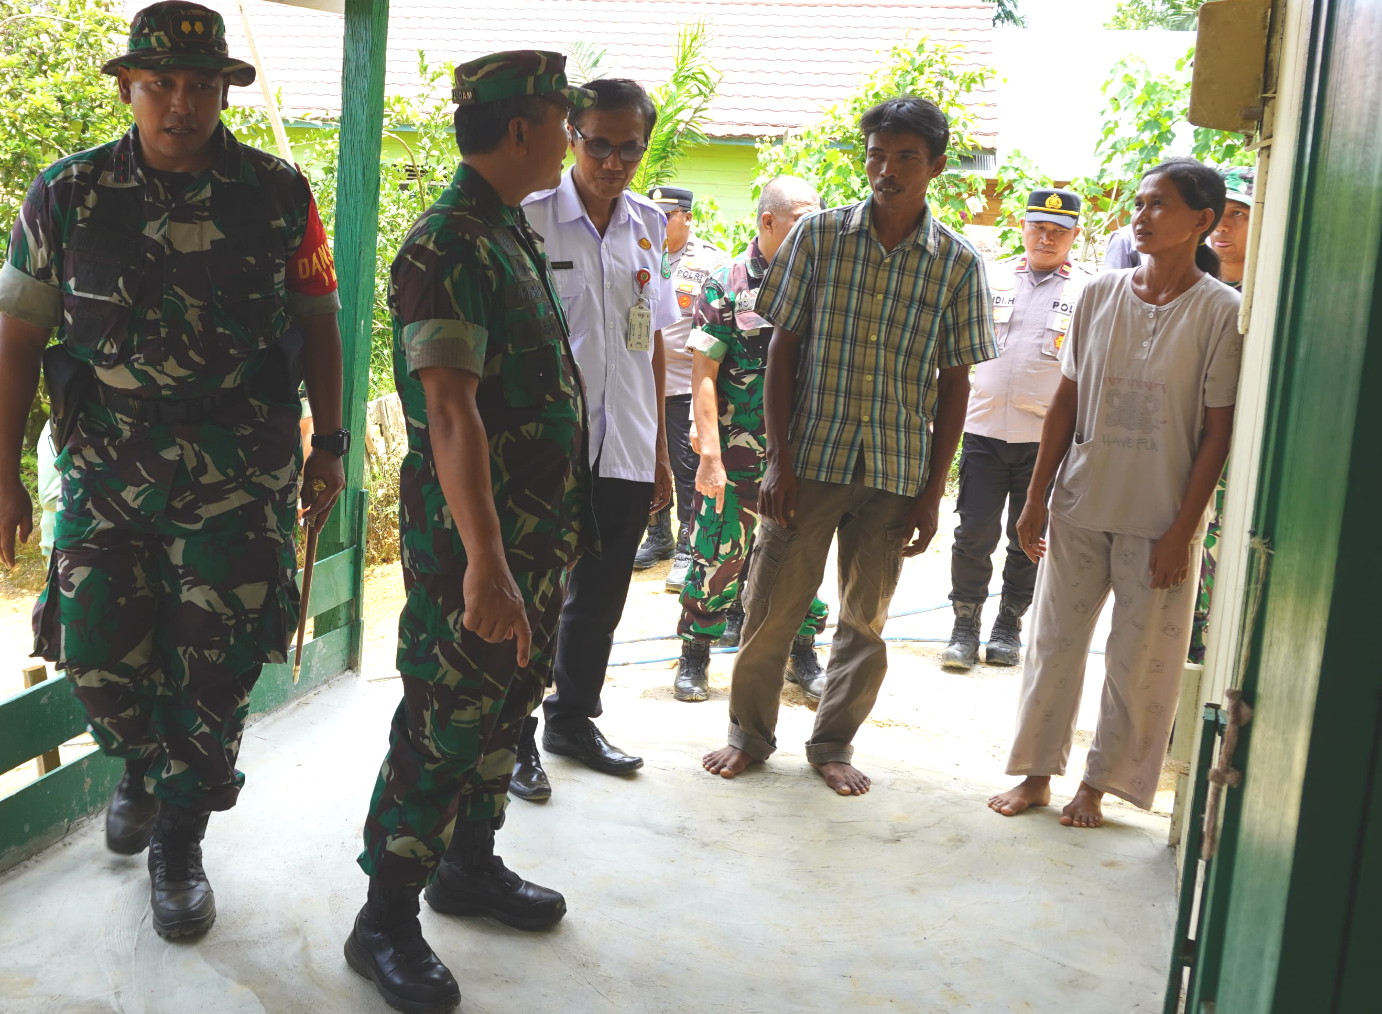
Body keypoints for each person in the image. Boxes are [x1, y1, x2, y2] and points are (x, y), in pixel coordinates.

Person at [0, 2, 344, 940]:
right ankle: (144, 766)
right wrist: (4, 470)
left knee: (218, 663)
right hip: (107, 460)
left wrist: (333, 443)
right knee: (100, 650)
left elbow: (319, 319)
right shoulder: (65, 194)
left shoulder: (277, 193)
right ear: (126, 86)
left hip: (239, 465)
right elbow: (20, 333)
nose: (180, 103)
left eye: (200, 86)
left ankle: (180, 839)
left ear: (226, 92)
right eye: (160, 84)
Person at [344, 52, 594, 1014]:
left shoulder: (501, 232)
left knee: (505, 707)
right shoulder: (447, 242)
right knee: (444, 722)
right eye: (562, 118)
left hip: (529, 542)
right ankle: (385, 919)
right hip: (473, 550)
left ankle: (468, 868)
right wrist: (486, 565)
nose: (570, 135)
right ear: (522, 128)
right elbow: (449, 414)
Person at [701, 97, 996, 795]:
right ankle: (748, 734)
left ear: (937, 166)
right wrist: (778, 458)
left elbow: (955, 385)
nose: (885, 171)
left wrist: (931, 491)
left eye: (905, 158)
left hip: (894, 471)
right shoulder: (820, 237)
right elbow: (782, 349)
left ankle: (832, 743)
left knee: (865, 622)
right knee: (773, 605)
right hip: (810, 464)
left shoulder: (956, 262)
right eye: (876, 155)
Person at [987, 157, 1242, 828]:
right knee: (1053, 645)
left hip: (1160, 519)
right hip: (1080, 503)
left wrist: (1183, 532)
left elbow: (1218, 433)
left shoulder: (1221, 312)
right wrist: (1037, 496)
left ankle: (1099, 786)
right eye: (1140, 202)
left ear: (1202, 221)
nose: (1142, 214)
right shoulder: (1100, 293)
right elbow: (1065, 403)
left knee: (1141, 662)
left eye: (1160, 204)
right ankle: (1037, 775)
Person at [512, 79, 677, 801]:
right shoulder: (532, 218)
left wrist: (663, 453)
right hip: (548, 447)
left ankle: (571, 720)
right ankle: (512, 738)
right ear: (573, 137)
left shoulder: (647, 223)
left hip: (628, 442)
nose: (614, 160)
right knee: (535, 591)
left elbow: (654, 341)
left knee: (602, 591)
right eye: (599, 143)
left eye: (629, 147)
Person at [673, 176, 831, 703]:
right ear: (769, 221)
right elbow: (703, 375)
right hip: (739, 450)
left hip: (803, 454)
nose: (813, 229)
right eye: (801, 220)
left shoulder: (820, 281)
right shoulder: (727, 283)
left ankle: (801, 652)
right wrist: (711, 456)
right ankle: (695, 654)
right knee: (718, 551)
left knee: (800, 555)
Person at [941, 189, 1094, 671]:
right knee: (972, 533)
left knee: (1029, 536)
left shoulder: (1088, 291)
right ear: (1022, 228)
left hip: (1044, 442)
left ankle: (1009, 623)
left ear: (1074, 236)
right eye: (1038, 227)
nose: (1046, 237)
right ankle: (964, 625)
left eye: (1058, 231)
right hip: (984, 430)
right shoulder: (990, 278)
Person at [633, 185, 727, 591]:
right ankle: (659, 536)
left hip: (687, 383)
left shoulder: (710, 262)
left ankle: (689, 547)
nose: (659, 222)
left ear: (687, 217)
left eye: (667, 214)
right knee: (645, 462)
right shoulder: (638, 252)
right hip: (642, 380)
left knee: (687, 467)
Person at [1189, 165, 1253, 664]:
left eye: (1240, 215)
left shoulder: (1266, 299)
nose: (1223, 229)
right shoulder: (1195, 288)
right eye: (1220, 216)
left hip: (1241, 466)